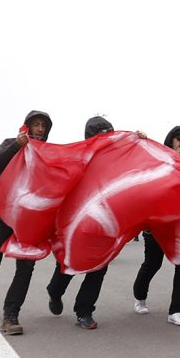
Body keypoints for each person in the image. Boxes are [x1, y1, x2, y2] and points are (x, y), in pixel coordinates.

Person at [46, 116, 147, 330]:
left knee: (99, 268)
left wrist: (140, 141)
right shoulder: (78, 157)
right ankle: (55, 292)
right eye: (103, 134)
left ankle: (84, 311)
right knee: (67, 265)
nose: (108, 139)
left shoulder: (117, 159)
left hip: (105, 223)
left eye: (110, 134)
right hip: (77, 223)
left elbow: (141, 166)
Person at [0, 110, 52, 335]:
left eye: (43, 126)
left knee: (25, 268)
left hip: (30, 220)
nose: (40, 129)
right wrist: (17, 144)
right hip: (0, 216)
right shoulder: (10, 143)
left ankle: (10, 316)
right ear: (27, 126)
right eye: (36, 124)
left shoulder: (48, 153)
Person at [132, 126, 180, 326]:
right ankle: (139, 296)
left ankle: (176, 310)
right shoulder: (158, 159)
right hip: (156, 225)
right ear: (171, 141)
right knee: (153, 264)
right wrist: (140, 140)